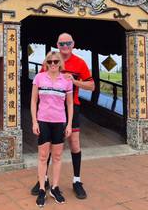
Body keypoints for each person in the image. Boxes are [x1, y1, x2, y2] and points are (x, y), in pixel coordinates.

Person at [31, 33, 94, 199]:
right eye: (62, 43)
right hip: (50, 109)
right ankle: (43, 179)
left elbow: (92, 86)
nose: (65, 46)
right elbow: (41, 82)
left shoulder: (79, 63)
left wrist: (74, 81)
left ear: (73, 44)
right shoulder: (52, 60)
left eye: (68, 43)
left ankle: (77, 180)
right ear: (57, 45)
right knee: (48, 143)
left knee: (74, 142)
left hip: (71, 106)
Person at [31, 51, 73, 207]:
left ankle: (54, 187)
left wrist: (68, 124)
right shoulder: (39, 78)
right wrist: (35, 122)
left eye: (56, 61)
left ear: (60, 63)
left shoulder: (66, 80)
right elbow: (33, 101)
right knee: (43, 156)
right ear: (46, 63)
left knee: (57, 156)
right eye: (50, 62)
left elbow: (69, 104)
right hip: (43, 121)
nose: (53, 64)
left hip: (59, 121)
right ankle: (42, 188)